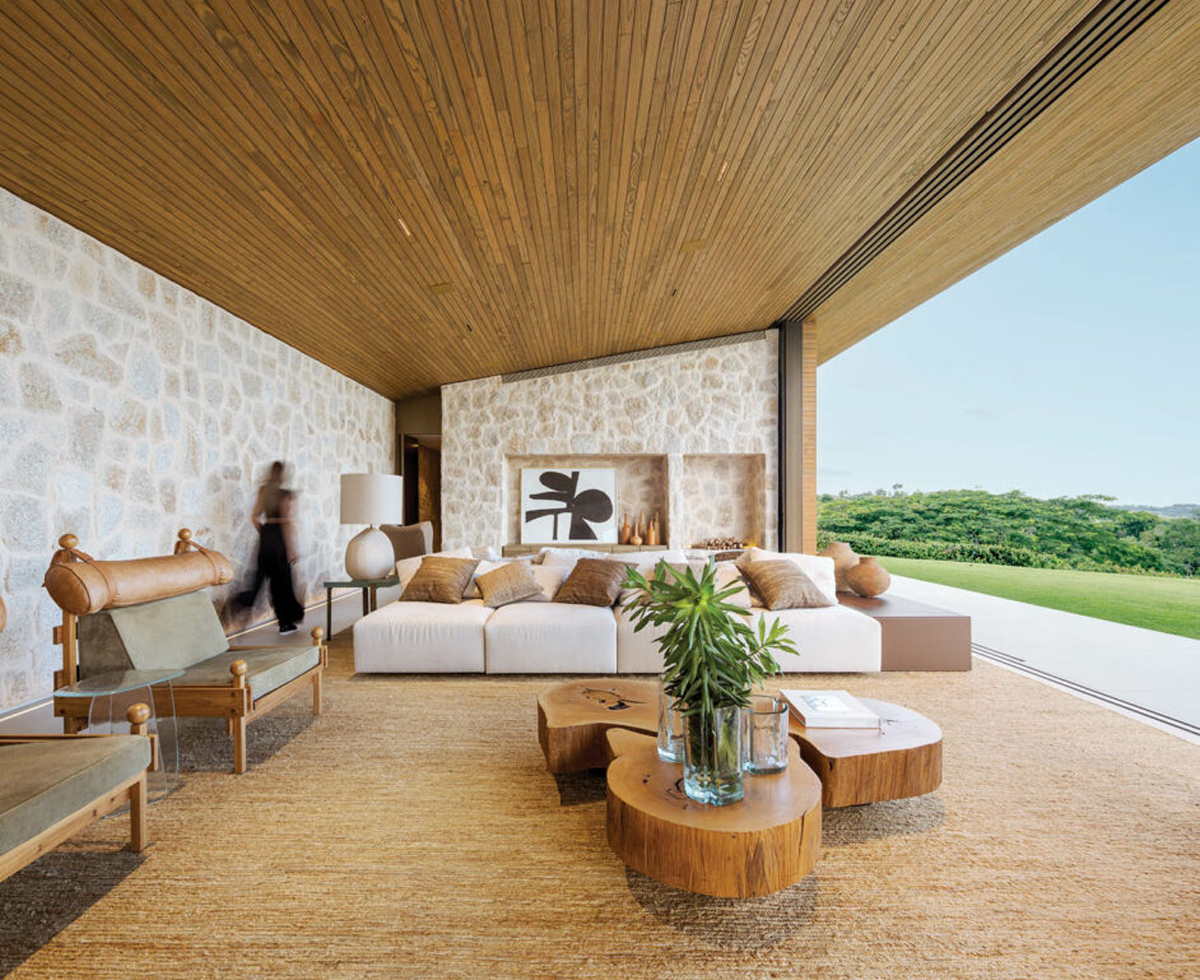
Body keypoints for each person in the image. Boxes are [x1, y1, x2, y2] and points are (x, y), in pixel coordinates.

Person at [235, 461, 305, 634]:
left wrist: (266, 533)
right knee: (282, 583)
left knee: (259, 580)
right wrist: (290, 549)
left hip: (266, 539)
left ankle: (236, 603)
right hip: (280, 540)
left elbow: (254, 517)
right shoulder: (286, 494)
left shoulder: (264, 491)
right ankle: (285, 623)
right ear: (282, 475)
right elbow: (286, 523)